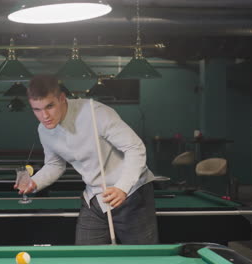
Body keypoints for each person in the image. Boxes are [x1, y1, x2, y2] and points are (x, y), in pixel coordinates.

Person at [16, 74, 158, 245]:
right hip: (94, 200)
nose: (44, 115)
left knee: (141, 259)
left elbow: (135, 147)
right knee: (84, 257)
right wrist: (35, 182)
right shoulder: (44, 130)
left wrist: (122, 187)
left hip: (132, 194)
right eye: (36, 110)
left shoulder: (96, 113)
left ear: (62, 98)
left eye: (50, 106)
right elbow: (55, 165)